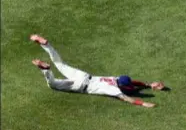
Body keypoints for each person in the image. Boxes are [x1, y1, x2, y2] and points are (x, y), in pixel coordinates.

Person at [30, 34, 168, 108]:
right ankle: (46, 70)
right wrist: (143, 103)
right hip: (80, 85)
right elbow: (127, 99)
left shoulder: (115, 78)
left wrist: (149, 85)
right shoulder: (113, 89)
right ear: (123, 85)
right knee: (53, 84)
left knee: (60, 63)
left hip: (83, 75)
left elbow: (134, 82)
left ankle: (46, 45)